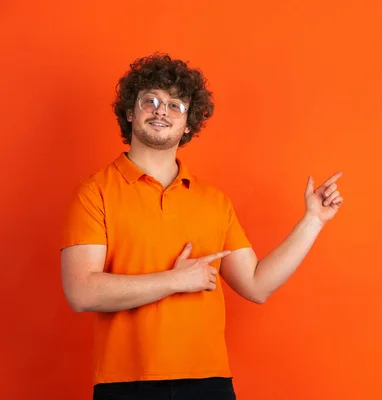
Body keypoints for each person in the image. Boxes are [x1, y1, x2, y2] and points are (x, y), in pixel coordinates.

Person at [59, 53, 344, 400]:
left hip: (210, 383)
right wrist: (175, 281)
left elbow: (257, 285)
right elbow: (82, 291)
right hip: (127, 383)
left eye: (175, 105)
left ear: (189, 123)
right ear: (130, 112)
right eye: (150, 100)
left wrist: (313, 221)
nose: (162, 110)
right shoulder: (95, 192)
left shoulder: (214, 200)